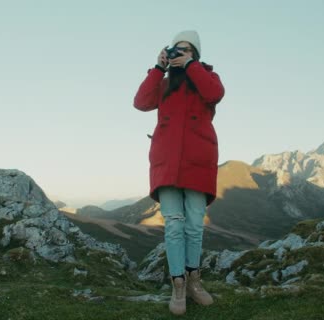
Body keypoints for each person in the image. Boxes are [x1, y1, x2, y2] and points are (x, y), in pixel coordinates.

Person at [133, 30, 225, 316]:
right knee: (173, 224)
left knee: (194, 224)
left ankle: (194, 280)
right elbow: (140, 102)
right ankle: (178, 284)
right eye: (175, 50)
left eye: (186, 50)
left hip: (198, 160)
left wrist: (190, 66)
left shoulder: (207, 78)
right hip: (167, 161)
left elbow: (215, 94)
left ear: (195, 54)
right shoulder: (163, 84)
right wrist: (158, 67)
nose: (179, 54)